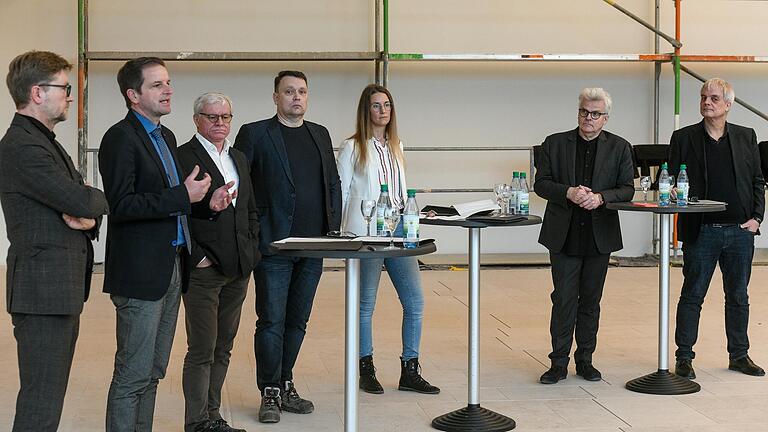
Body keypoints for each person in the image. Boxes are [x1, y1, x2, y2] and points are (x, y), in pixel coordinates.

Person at [99, 57, 233, 432]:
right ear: (133, 95)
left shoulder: (166, 137)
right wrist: (182, 195)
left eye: (168, 82)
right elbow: (122, 205)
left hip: (173, 266)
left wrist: (208, 206)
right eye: (157, 84)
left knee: (154, 370)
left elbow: (177, 202)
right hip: (140, 273)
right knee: (132, 374)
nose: (168, 89)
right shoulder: (120, 138)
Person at [0, 50, 108, 432]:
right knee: (40, 405)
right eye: (64, 88)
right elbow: (83, 197)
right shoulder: (23, 147)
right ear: (37, 92)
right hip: (41, 293)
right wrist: (93, 205)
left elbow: (81, 202)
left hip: (55, 290)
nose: (70, 96)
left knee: (47, 399)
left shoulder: (44, 140)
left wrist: (88, 215)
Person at [234, 70, 341, 423]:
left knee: (298, 321)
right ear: (276, 97)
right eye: (289, 91)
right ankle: (269, 390)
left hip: (313, 246)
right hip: (275, 246)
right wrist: (252, 234)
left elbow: (332, 184)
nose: (296, 97)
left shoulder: (320, 134)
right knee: (271, 320)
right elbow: (240, 185)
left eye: (302, 92)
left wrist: (333, 230)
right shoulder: (255, 133)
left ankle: (285, 381)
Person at [336, 84, 440, 395]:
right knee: (365, 304)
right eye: (376, 106)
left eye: (387, 105)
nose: (383, 111)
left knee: (414, 302)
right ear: (365, 111)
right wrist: (342, 236)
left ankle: (410, 369)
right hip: (367, 232)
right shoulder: (352, 147)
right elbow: (341, 194)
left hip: (399, 231)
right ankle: (365, 369)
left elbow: (399, 194)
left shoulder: (397, 146)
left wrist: (416, 216)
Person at [534, 87, 634, 384]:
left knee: (590, 301)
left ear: (606, 118)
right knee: (563, 299)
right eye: (583, 112)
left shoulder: (620, 147)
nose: (588, 118)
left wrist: (601, 197)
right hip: (563, 234)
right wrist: (569, 192)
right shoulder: (554, 143)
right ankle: (558, 363)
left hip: (598, 235)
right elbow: (541, 184)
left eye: (595, 114)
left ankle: (586, 360)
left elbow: (627, 189)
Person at [670, 78, 765, 379]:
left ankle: (739, 355)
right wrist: (672, 191)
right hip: (702, 230)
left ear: (728, 104)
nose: (706, 102)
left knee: (738, 296)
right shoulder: (683, 138)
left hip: (740, 231)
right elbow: (671, 180)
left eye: (713, 98)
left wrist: (757, 219)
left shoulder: (746, 136)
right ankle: (684, 357)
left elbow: (757, 180)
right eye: (703, 97)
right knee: (692, 295)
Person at [176, 92, 260, 432]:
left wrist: (251, 250)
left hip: (238, 268)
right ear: (197, 119)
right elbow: (178, 210)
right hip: (204, 272)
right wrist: (197, 257)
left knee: (223, 347)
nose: (220, 123)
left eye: (225, 117)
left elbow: (250, 209)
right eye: (212, 117)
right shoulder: (183, 156)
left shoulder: (238, 157)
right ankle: (197, 422)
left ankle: (212, 416)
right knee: (202, 349)